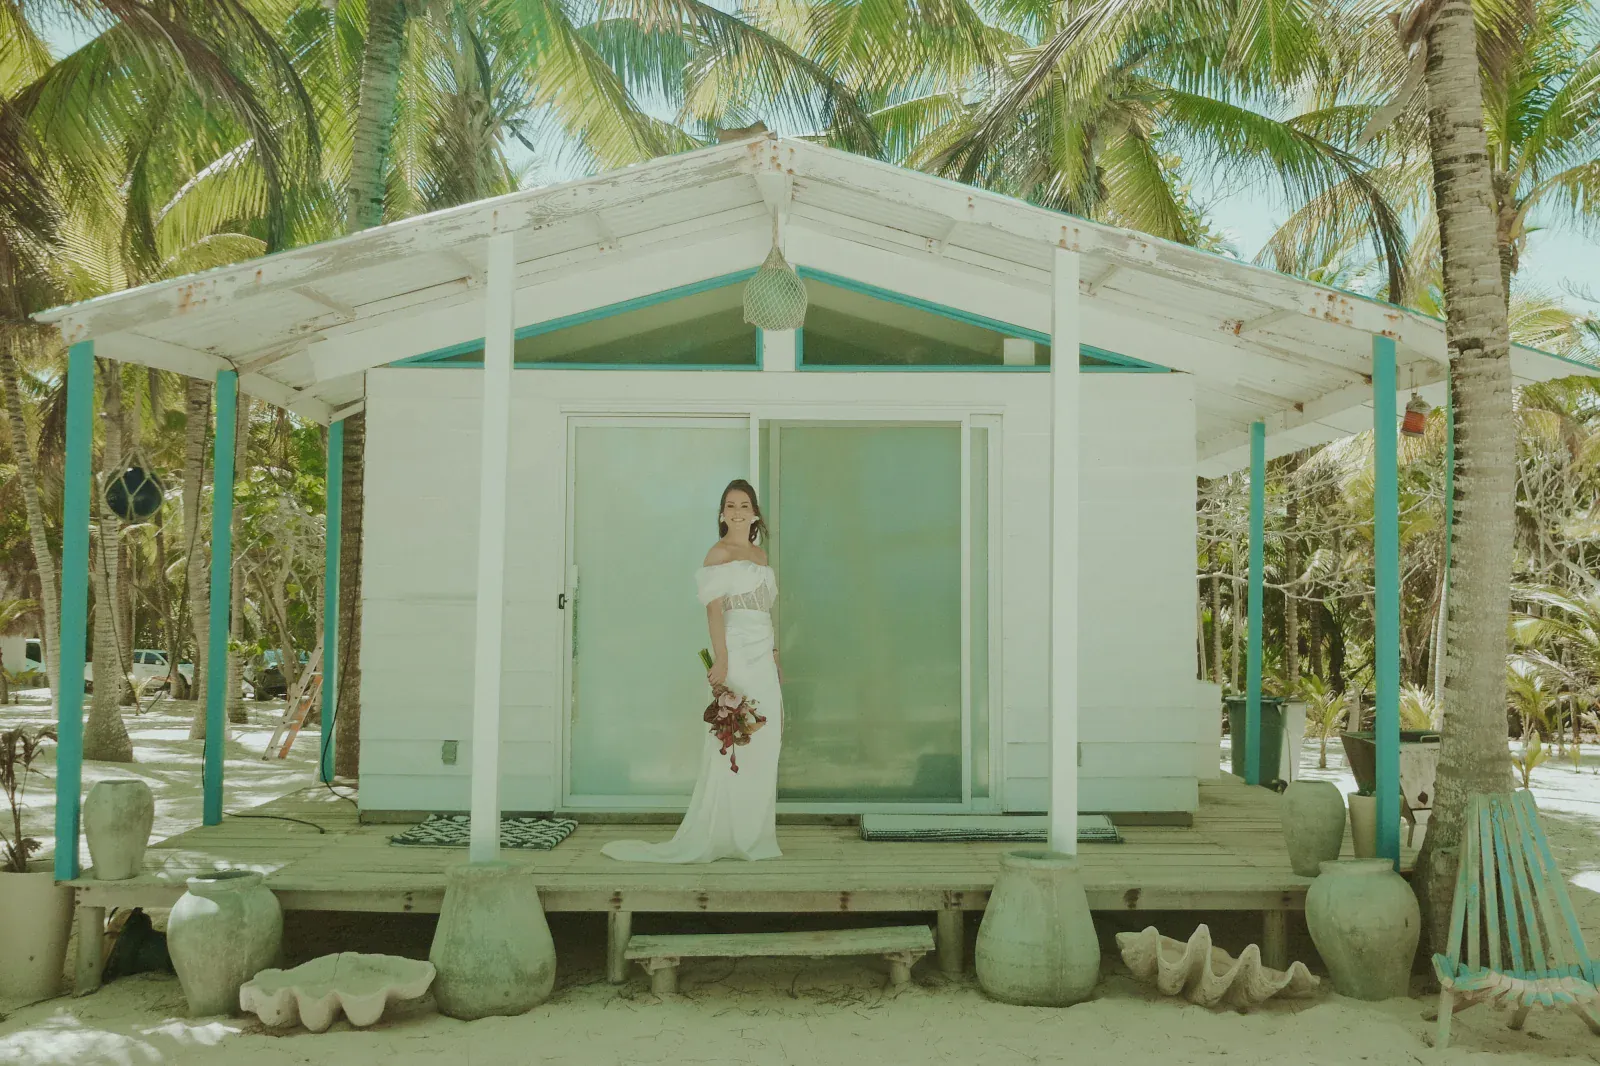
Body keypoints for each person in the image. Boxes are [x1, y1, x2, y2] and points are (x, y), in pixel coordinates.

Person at [601, 479, 784, 863]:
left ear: (755, 513)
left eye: (745, 505)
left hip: (763, 656)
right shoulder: (717, 554)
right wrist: (722, 659)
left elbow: (764, 610)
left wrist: (774, 655)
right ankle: (721, 834)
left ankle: (752, 836)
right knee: (732, 743)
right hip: (736, 656)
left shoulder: (761, 555)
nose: (738, 512)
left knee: (765, 744)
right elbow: (714, 612)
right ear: (722, 513)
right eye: (731, 505)